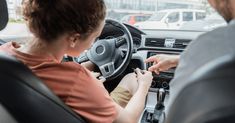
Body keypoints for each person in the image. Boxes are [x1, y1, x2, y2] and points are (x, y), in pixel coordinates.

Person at [0, 0, 153, 123]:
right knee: (131, 79)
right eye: (95, 38)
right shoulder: (77, 79)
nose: (94, 45)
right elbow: (128, 120)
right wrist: (144, 85)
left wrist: (88, 85)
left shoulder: (4, 53)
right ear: (74, 38)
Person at [145, 0, 235, 115]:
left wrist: (143, 87)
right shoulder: (213, 47)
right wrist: (177, 60)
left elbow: (177, 111)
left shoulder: (210, 44)